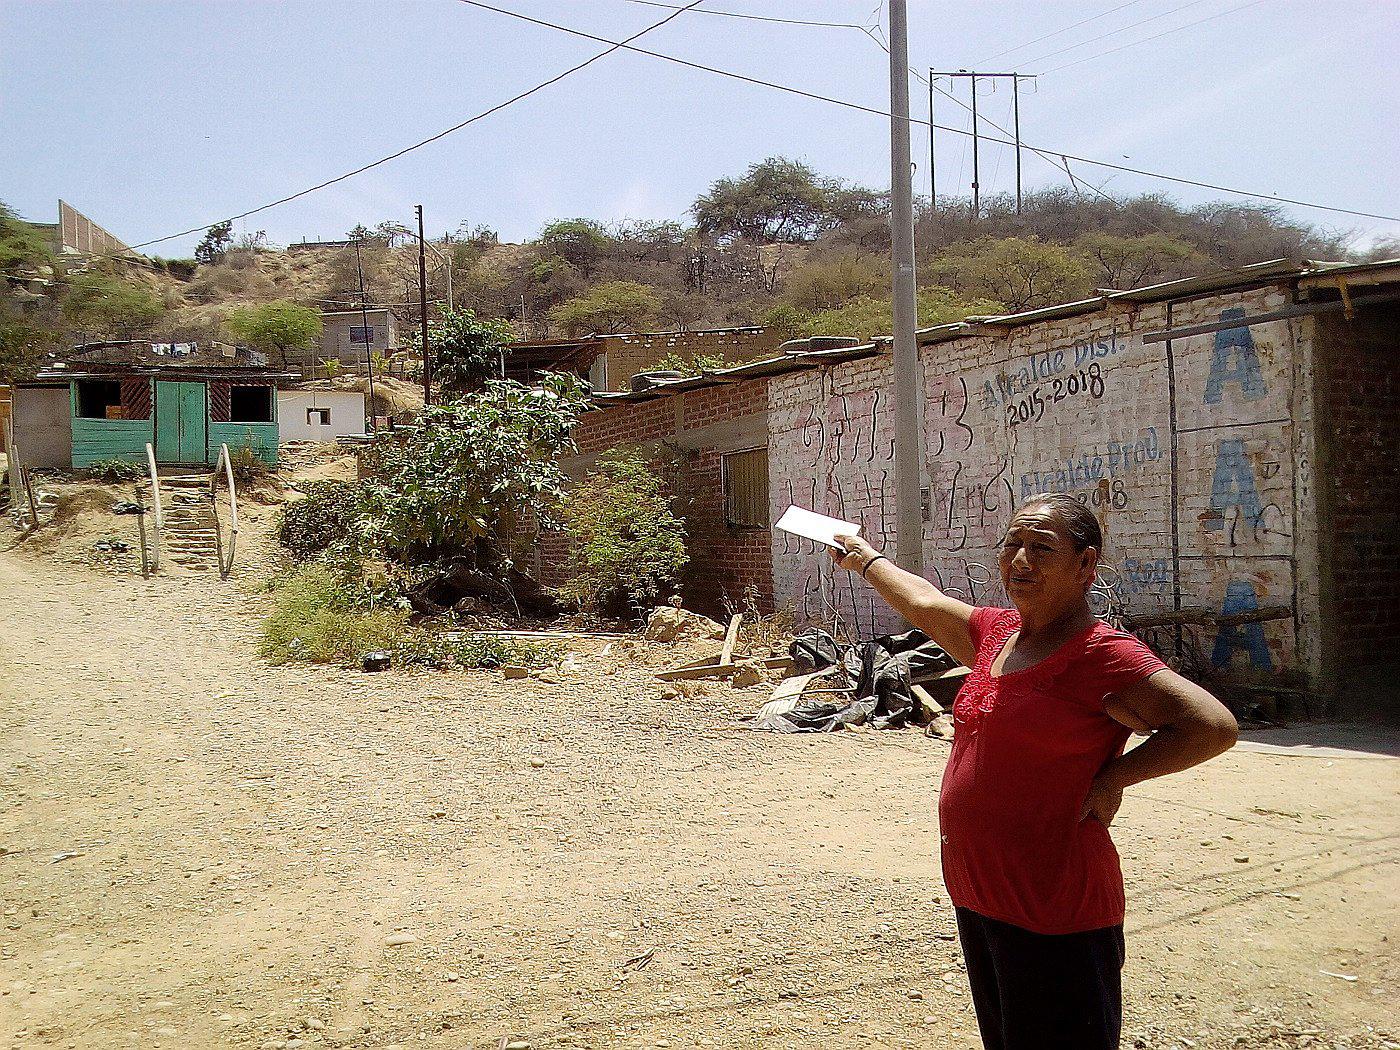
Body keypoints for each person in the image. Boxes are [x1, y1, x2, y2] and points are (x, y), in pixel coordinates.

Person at [831, 493, 1238, 1050]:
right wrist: (865, 557)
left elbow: (1211, 725)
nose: (1020, 561)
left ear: (1086, 565)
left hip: (1057, 910)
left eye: (1041, 548)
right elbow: (924, 604)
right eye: (1012, 545)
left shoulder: (1102, 655)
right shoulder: (999, 635)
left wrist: (1114, 778)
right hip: (983, 896)